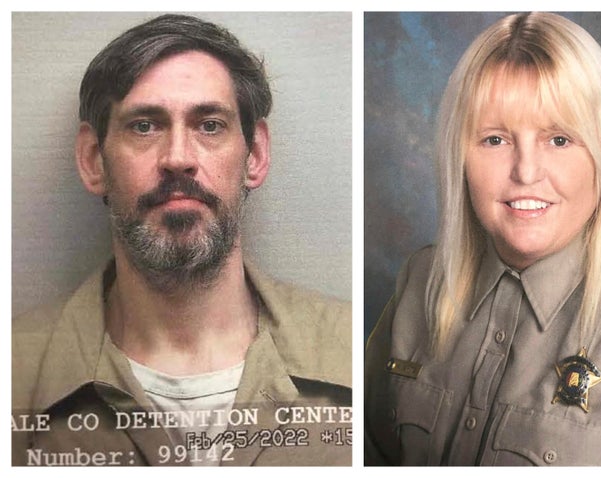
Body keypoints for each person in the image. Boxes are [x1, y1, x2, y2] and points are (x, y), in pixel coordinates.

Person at [365, 12, 601, 466]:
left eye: (559, 140)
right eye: (494, 140)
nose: (525, 172)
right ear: (458, 155)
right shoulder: (420, 281)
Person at [12, 14, 351, 466]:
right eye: (144, 126)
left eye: (209, 125)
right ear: (94, 160)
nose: (177, 159)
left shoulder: (351, 355)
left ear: (256, 155)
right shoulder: (12, 372)